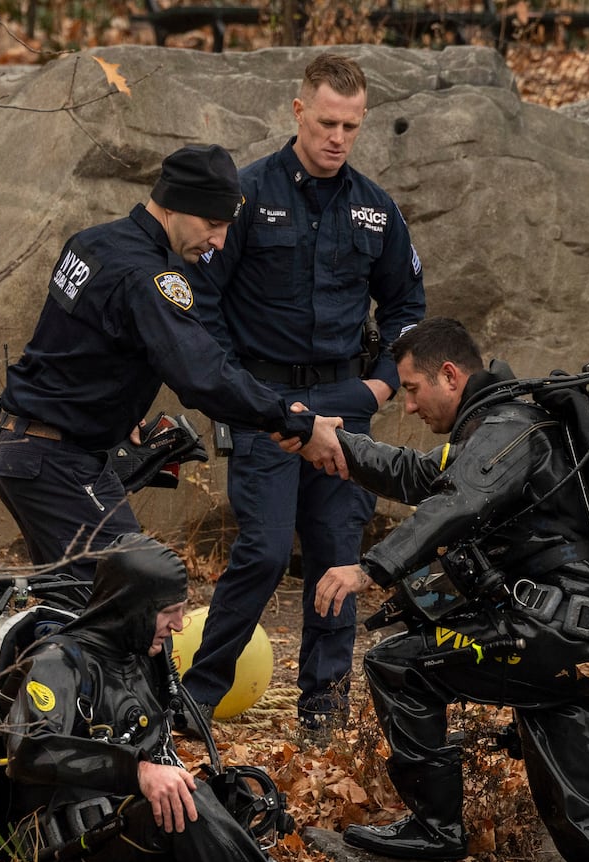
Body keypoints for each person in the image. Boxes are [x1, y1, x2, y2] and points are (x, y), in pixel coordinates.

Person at [311, 318, 589, 862]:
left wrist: (371, 569)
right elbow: (425, 477)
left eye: (410, 389)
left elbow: (456, 503)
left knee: (398, 666)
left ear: (450, 375)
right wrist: (335, 444)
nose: (406, 406)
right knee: (578, 816)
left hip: (555, 636)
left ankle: (434, 827)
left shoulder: (509, 428)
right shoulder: (503, 428)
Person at [1, 531, 497, 862]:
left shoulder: (142, 656)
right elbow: (31, 751)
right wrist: (138, 771)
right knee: (187, 799)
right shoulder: (59, 661)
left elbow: (162, 748)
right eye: (168, 613)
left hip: (132, 841)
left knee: (228, 794)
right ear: (130, 608)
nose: (179, 625)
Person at [182, 54, 426, 736]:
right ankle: (197, 698)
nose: (337, 137)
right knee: (260, 552)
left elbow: (407, 306)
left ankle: (324, 706)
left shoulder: (375, 210)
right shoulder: (249, 196)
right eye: (326, 121)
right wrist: (236, 390)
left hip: (346, 406)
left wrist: (380, 384)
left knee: (337, 551)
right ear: (297, 112)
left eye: (351, 125)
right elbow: (202, 301)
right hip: (268, 407)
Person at [0, 144, 347, 584]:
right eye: (212, 224)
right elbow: (203, 374)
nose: (219, 241)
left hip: (29, 447)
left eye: (227, 226)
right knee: (138, 589)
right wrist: (296, 423)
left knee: (76, 602)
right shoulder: (148, 277)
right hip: (54, 460)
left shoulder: (93, 242)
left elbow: (79, 347)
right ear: (175, 204)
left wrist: (120, 416)